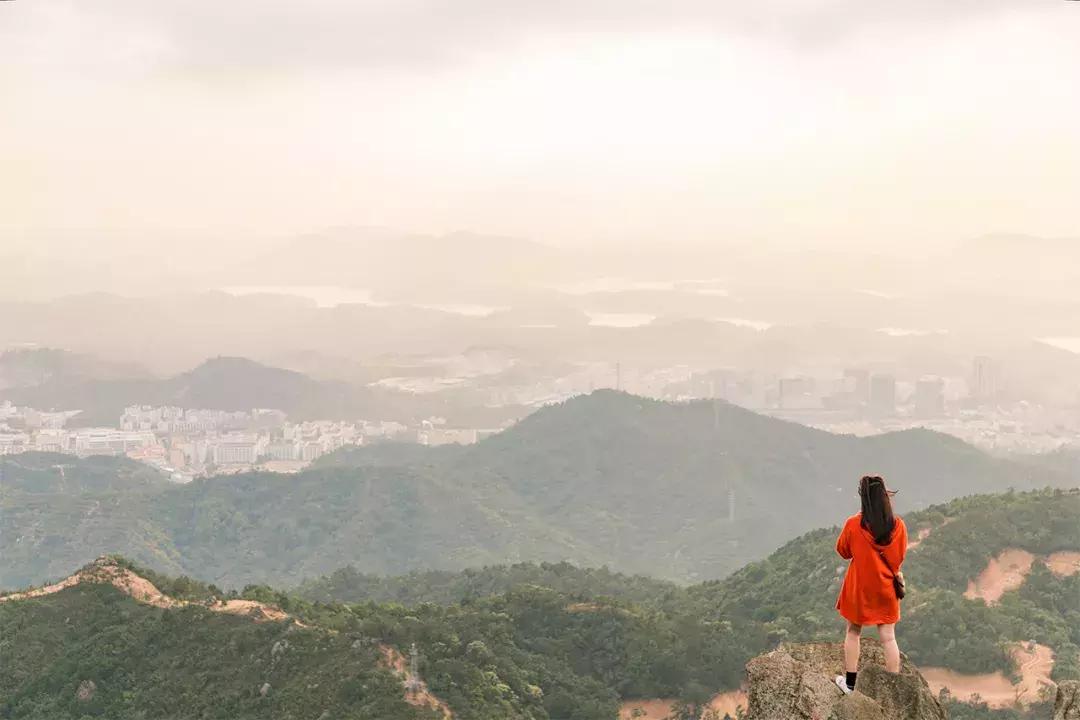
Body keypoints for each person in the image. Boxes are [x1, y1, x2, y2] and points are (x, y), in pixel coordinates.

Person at [833, 475, 907, 695]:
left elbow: (843, 551)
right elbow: (899, 557)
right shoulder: (898, 526)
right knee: (889, 638)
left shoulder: (854, 524)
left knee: (853, 632)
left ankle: (850, 685)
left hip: (860, 589)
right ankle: (893, 690)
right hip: (885, 588)